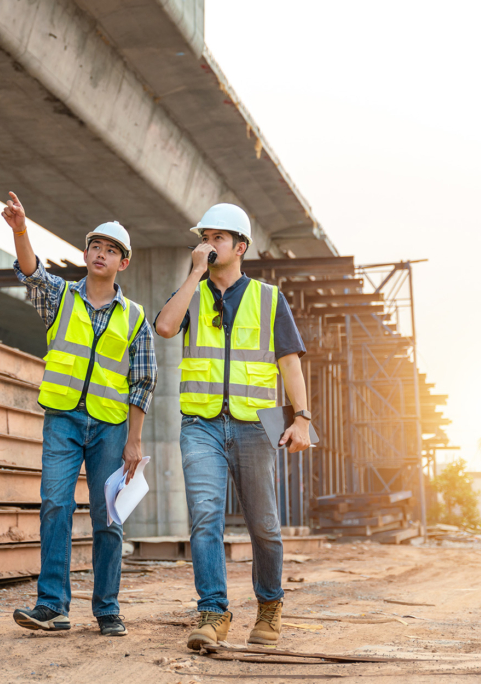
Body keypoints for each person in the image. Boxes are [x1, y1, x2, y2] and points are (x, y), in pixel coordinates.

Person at [154, 203, 311, 649]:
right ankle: (212, 613)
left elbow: (290, 365)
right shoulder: (193, 294)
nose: (208, 244)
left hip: (255, 425)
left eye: (218, 238)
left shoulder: (268, 298)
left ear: (240, 247)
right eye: (204, 237)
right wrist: (193, 275)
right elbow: (165, 327)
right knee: (205, 519)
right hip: (200, 423)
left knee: (264, 525)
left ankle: (269, 607)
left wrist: (302, 418)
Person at [2, 192, 157, 638]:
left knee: (108, 516)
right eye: (95, 246)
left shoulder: (135, 317)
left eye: (110, 250)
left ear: (122, 263)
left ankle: (107, 607)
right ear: (86, 254)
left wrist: (135, 438)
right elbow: (32, 274)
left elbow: (143, 381)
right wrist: (20, 231)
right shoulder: (60, 297)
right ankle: (52, 605)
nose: (100, 254)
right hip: (64, 419)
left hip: (110, 427)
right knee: (55, 504)